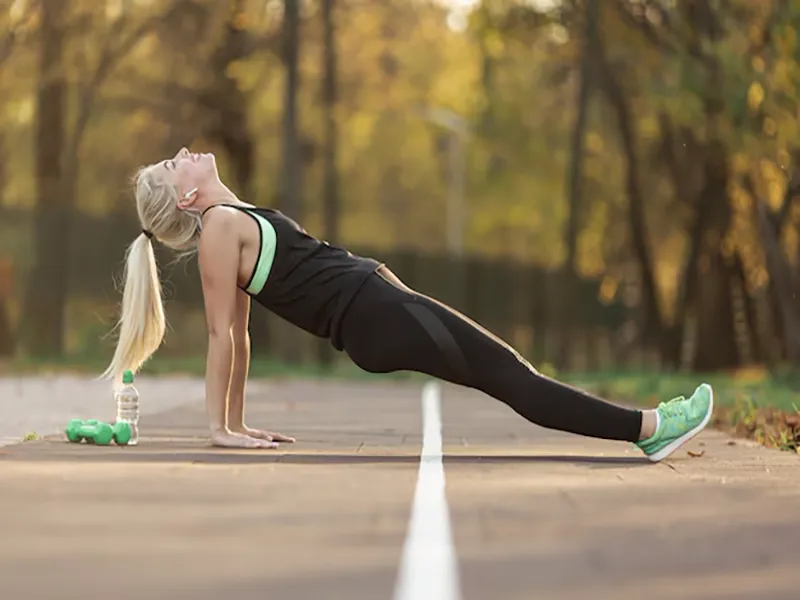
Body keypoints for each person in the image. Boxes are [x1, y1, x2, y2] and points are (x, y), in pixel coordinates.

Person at [101, 147, 714, 459]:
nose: (183, 153)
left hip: (378, 304)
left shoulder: (231, 217)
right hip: (372, 317)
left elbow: (244, 334)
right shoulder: (216, 229)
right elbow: (222, 335)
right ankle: (648, 429)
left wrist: (237, 424)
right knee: (512, 376)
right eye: (171, 163)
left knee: (509, 370)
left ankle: (645, 427)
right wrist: (218, 430)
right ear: (184, 198)